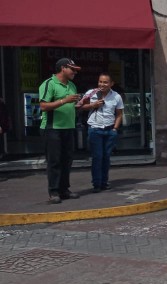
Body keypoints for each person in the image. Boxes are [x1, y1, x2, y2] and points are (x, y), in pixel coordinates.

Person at [39, 57, 81, 204]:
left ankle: (64, 189)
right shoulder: (49, 84)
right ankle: (54, 191)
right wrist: (65, 100)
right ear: (63, 68)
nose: (74, 72)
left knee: (67, 160)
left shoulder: (72, 85)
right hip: (52, 128)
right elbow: (43, 106)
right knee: (54, 161)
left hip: (68, 127)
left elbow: (73, 106)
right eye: (72, 69)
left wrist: (85, 103)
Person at [78, 73, 124, 192]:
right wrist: (93, 105)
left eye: (105, 82)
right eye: (100, 82)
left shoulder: (116, 97)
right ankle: (97, 184)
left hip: (109, 130)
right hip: (95, 129)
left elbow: (119, 114)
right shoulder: (91, 93)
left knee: (106, 157)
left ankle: (104, 182)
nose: (102, 84)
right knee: (97, 157)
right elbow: (79, 106)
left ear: (111, 84)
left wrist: (115, 129)